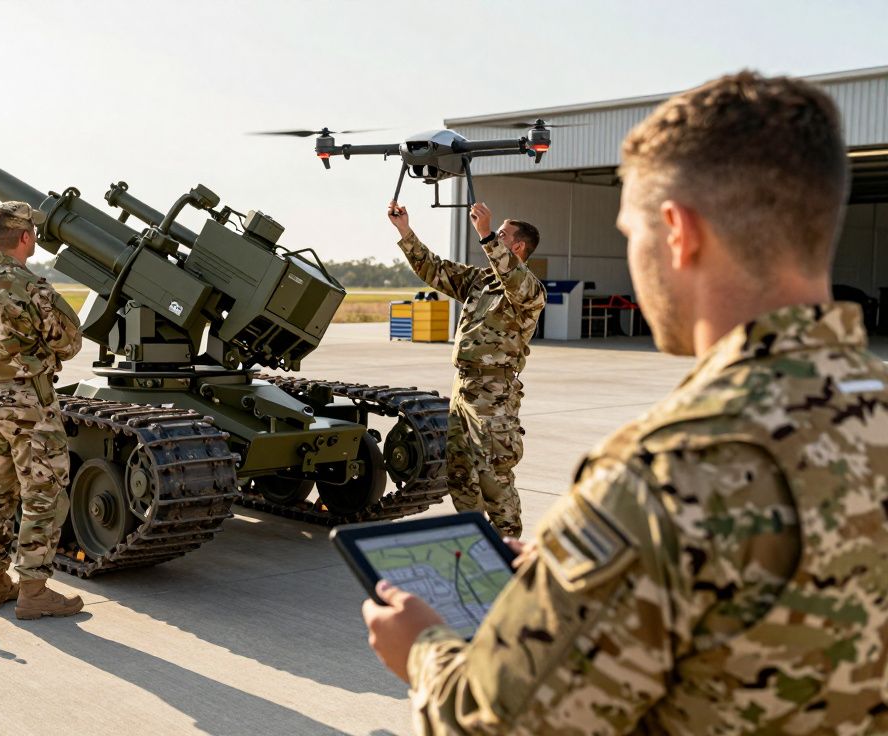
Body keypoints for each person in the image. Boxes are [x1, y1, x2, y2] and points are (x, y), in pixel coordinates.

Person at [363, 71, 888, 734]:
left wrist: (422, 651)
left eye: (629, 232)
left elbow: (495, 722)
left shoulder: (662, 479)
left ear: (678, 231)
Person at [389, 200, 546, 537]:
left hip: (494, 395)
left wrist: (486, 233)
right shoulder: (480, 280)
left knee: (494, 473)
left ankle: (508, 551)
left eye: (502, 234)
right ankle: (473, 542)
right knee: (460, 472)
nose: (492, 237)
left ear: (516, 246)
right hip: (464, 389)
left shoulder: (529, 290)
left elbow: (512, 277)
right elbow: (434, 269)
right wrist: (405, 231)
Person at [0, 201, 85, 619]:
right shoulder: (32, 287)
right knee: (43, 492)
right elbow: (69, 342)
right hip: (29, 403)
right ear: (26, 237)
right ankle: (34, 591)